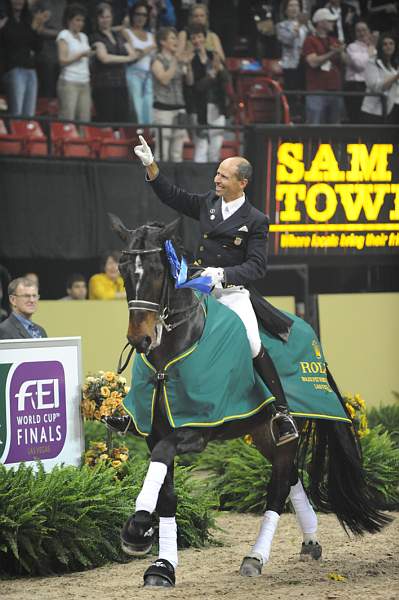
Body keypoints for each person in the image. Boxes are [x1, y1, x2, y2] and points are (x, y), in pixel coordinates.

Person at [132, 134, 298, 446]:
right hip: (196, 288)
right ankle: (139, 408)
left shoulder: (256, 220)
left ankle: (282, 412)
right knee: (158, 332)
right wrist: (150, 164)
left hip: (231, 293)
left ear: (242, 182)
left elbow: (257, 267)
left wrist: (221, 274)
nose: (216, 179)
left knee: (251, 342)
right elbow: (173, 196)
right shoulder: (208, 202)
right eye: (217, 173)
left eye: (224, 175)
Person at [188, 23, 229, 163]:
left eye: (199, 37)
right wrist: (212, 74)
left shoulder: (214, 56)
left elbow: (226, 79)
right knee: (201, 147)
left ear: (205, 38)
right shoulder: (191, 61)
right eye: (193, 38)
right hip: (200, 109)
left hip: (218, 106)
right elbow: (196, 87)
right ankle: (198, 181)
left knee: (216, 147)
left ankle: (214, 180)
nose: (197, 40)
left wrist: (221, 68)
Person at [151, 26, 193, 162]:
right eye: (172, 38)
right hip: (163, 110)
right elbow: (164, 79)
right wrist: (175, 61)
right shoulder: (157, 60)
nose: (176, 41)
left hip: (179, 109)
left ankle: (175, 182)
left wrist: (188, 64)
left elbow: (190, 81)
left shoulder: (179, 61)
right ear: (163, 42)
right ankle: (158, 182)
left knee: (177, 152)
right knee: (162, 152)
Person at [0, 0, 49, 116]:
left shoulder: (28, 20)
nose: (19, 1)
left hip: (31, 70)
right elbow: (13, 41)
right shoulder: (4, 20)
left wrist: (38, 30)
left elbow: (37, 47)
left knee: (29, 115)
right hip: (13, 69)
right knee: (16, 113)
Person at [90, 2, 137, 123]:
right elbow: (104, 58)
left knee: (122, 119)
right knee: (107, 119)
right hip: (103, 85)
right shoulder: (95, 36)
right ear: (97, 19)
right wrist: (126, 59)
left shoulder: (118, 35)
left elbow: (133, 53)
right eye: (102, 17)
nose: (105, 20)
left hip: (121, 83)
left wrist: (127, 56)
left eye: (108, 17)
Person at [302, 7, 346, 123]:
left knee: (335, 127)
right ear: (321, 23)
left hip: (335, 89)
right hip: (317, 90)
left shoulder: (334, 40)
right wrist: (332, 52)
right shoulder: (310, 41)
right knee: (314, 126)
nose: (333, 23)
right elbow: (313, 62)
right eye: (330, 20)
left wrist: (341, 51)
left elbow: (346, 61)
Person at [56, 3, 92, 123]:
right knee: (68, 119)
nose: (80, 23)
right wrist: (80, 55)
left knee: (84, 120)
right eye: (77, 20)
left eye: (82, 20)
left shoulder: (84, 36)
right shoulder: (64, 35)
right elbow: (62, 60)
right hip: (69, 82)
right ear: (69, 20)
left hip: (85, 82)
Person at [123, 1, 156, 123]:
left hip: (148, 76)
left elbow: (152, 58)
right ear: (132, 15)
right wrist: (149, 48)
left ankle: (147, 139)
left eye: (144, 15)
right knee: (137, 109)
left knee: (148, 108)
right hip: (133, 74)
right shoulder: (127, 32)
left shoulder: (150, 35)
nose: (141, 17)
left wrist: (144, 51)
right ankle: (138, 137)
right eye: (138, 14)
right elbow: (134, 56)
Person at [361, 32, 399, 124]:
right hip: (375, 110)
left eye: (391, 43)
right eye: (385, 44)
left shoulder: (395, 65)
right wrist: (396, 76)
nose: (388, 46)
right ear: (380, 47)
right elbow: (376, 87)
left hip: (394, 108)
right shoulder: (372, 62)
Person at [344, 20, 377, 123]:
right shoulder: (352, 47)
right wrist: (371, 48)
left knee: (369, 118)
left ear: (369, 31)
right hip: (356, 86)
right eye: (358, 31)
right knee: (356, 118)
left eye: (364, 30)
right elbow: (361, 65)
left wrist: (371, 48)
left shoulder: (375, 48)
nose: (362, 33)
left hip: (371, 86)